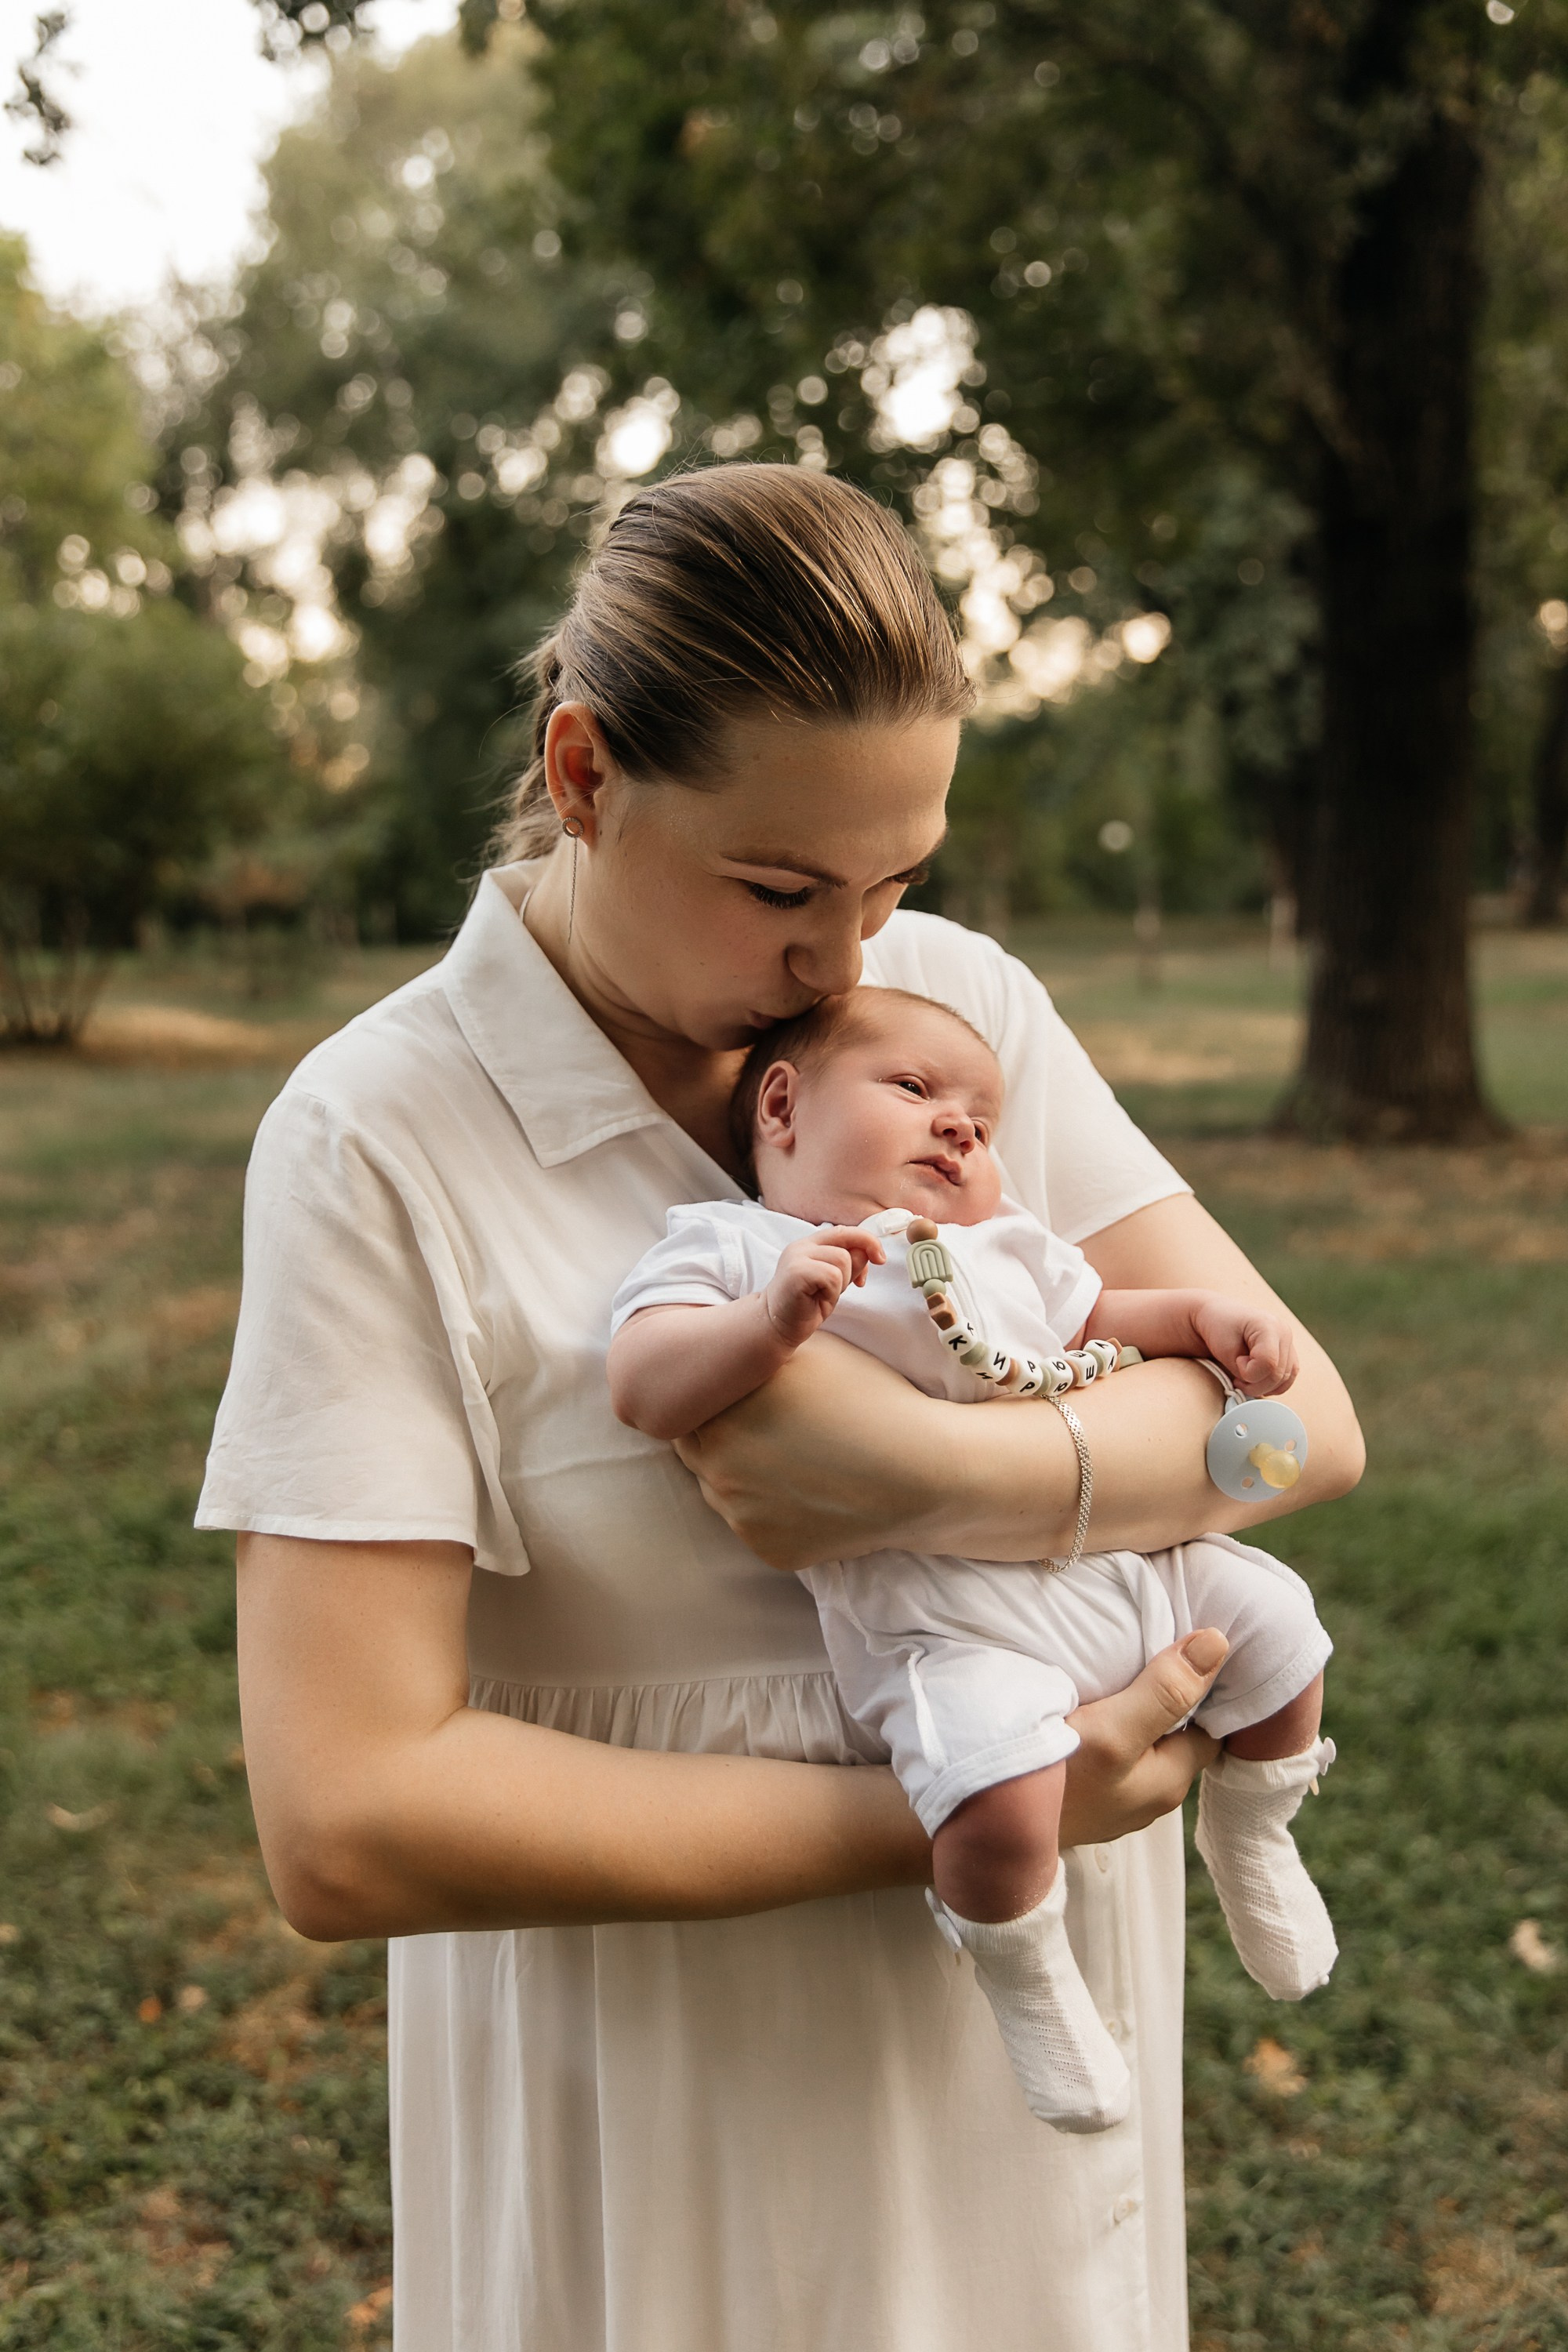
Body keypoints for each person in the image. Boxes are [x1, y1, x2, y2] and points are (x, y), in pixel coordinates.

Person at [199, 464, 1364, 2352]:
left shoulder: (948, 1016)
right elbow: (347, 1821)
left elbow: (1304, 1428)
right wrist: (975, 1817)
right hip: (663, 2112)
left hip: (1013, 2104)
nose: (845, 962)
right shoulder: (374, 1138)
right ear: (584, 774)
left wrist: (944, 1471)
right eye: (779, 888)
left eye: (896, 879)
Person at [607, 985, 1338, 2139]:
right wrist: (770, 1324)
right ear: (784, 1107)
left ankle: (1252, 1821)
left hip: (1124, 1572)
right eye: (916, 1091)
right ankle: (1026, 1969)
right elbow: (642, 1382)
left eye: (982, 1121)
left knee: (1284, 1632)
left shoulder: (1007, 1247)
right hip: (948, 1628)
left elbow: (1110, 1310)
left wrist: (1203, 1317)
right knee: (997, 1804)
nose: (959, 1126)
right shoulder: (740, 1245)